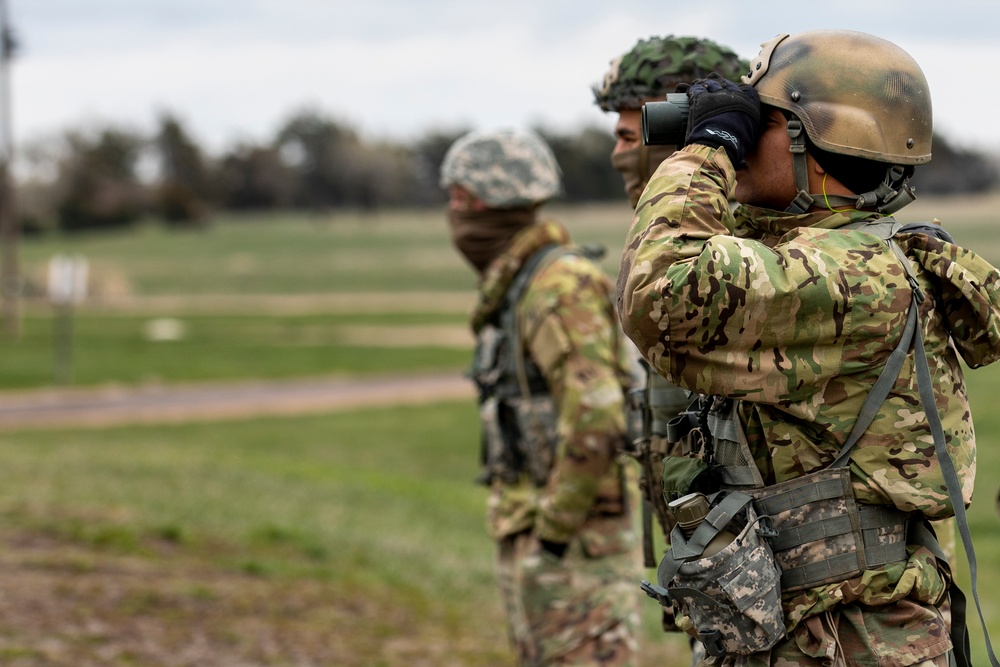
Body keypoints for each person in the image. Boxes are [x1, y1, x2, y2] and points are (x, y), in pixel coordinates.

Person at [616, 29, 1000, 666]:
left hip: (850, 639)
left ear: (811, 144)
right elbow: (692, 246)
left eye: (756, 123)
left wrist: (707, 148)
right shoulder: (823, 260)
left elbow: (657, 295)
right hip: (817, 627)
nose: (742, 142)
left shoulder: (845, 279)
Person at [441, 128, 641, 666]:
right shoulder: (521, 284)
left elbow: (597, 414)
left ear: (489, 200)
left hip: (575, 541)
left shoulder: (557, 285)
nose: (454, 215)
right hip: (538, 527)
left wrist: (552, 535)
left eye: (460, 198)